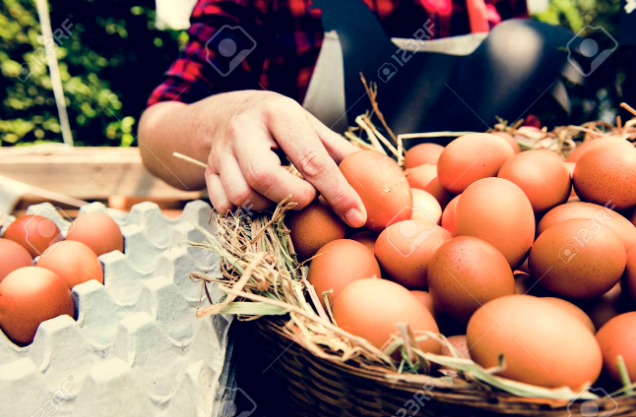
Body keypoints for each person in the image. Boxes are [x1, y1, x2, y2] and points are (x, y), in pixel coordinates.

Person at [138, 0, 527, 228]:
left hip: (470, 225)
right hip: (316, 239)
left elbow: (524, 119)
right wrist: (230, 116)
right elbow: (155, 133)